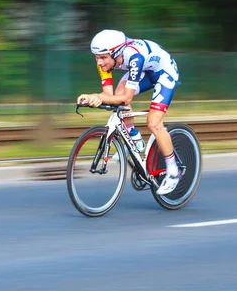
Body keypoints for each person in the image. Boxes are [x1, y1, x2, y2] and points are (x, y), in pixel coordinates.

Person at [77, 29, 183, 195]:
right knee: (118, 94)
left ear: (116, 53)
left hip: (165, 72)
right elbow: (108, 96)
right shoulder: (104, 60)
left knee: (153, 123)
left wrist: (98, 97)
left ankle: (173, 170)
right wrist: (93, 98)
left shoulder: (135, 57)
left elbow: (126, 99)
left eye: (103, 57)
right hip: (146, 71)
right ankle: (134, 137)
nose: (99, 62)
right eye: (96, 57)